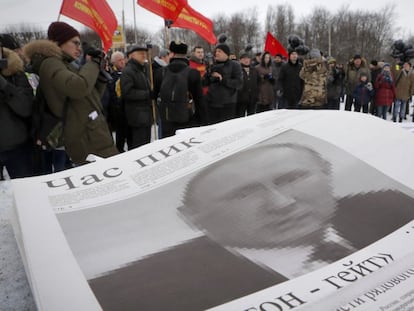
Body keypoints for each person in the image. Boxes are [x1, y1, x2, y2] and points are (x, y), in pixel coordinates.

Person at [23, 21, 118, 165]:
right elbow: (79, 87)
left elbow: (90, 98)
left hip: (93, 133)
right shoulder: (50, 63)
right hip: (86, 138)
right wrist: (92, 64)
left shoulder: (65, 64)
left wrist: (99, 77)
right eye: (75, 43)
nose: (79, 49)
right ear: (59, 43)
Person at [0, 37, 34, 178]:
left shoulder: (15, 72)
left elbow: (26, 108)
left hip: (16, 147)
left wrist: (4, 85)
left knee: (26, 193)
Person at [156, 41, 202, 138]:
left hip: (167, 120)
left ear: (171, 54)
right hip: (188, 120)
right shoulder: (193, 73)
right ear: (185, 54)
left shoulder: (160, 72)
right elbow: (199, 100)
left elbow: (155, 95)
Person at [120, 45, 153, 149]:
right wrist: (148, 94)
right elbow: (128, 93)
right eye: (140, 53)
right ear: (131, 56)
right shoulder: (129, 71)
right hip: (137, 117)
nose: (144, 55)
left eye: (144, 53)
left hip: (145, 115)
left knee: (145, 145)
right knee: (138, 146)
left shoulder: (143, 69)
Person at [206, 40, 243, 124]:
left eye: (220, 51)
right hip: (212, 103)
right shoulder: (212, 65)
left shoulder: (235, 65)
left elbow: (239, 83)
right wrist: (208, 77)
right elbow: (205, 83)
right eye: (216, 51)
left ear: (226, 54)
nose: (217, 53)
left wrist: (222, 79)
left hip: (227, 104)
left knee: (226, 129)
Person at [108, 51, 127, 152]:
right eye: (119, 60)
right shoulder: (111, 76)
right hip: (118, 111)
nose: (122, 62)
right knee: (120, 138)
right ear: (114, 62)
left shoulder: (127, 73)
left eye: (123, 59)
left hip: (128, 110)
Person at [236, 48, 259, 117]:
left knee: (251, 118)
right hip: (241, 100)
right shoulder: (237, 70)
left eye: (247, 58)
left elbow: (258, 82)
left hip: (252, 99)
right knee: (240, 118)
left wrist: (256, 94)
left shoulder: (254, 70)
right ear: (240, 60)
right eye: (244, 58)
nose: (246, 60)